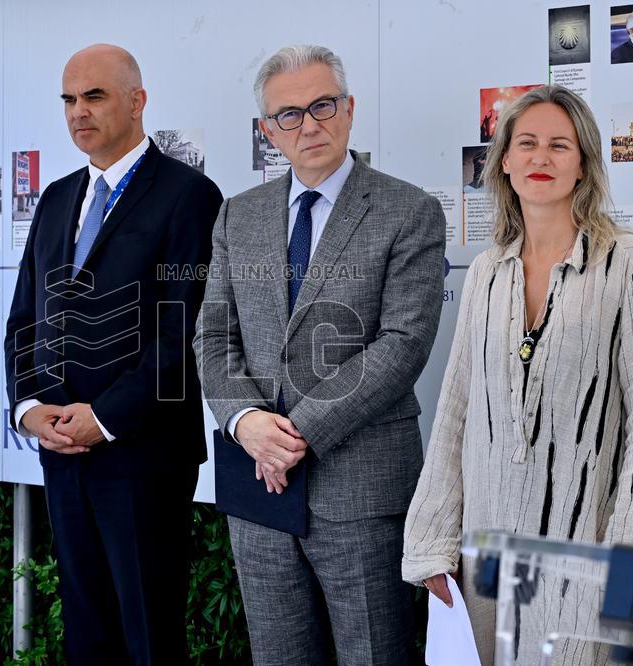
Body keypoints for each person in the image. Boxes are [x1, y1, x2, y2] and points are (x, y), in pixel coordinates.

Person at [403, 85, 633, 664]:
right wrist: (433, 540)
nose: (541, 158)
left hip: (587, 546)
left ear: (582, 163)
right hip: (490, 550)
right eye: (527, 143)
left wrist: (627, 557)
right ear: (504, 160)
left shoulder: (630, 262)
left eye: (560, 145)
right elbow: (457, 406)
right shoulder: (486, 270)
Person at [194, 44, 445, 665]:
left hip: (360, 490)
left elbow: (403, 343)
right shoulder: (237, 215)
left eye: (323, 105)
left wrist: (296, 432)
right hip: (257, 483)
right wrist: (247, 422)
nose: (309, 125)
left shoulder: (408, 210)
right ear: (267, 131)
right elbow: (213, 336)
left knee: (373, 655)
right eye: (289, 114)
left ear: (349, 109)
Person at [3, 44, 222, 664]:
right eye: (69, 99)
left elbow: (186, 327)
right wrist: (29, 407)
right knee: (86, 632)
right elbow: (25, 316)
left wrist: (103, 417)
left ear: (137, 100)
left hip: (143, 453)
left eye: (94, 96)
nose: (79, 112)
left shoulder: (189, 196)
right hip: (63, 453)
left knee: (148, 634)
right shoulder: (55, 198)